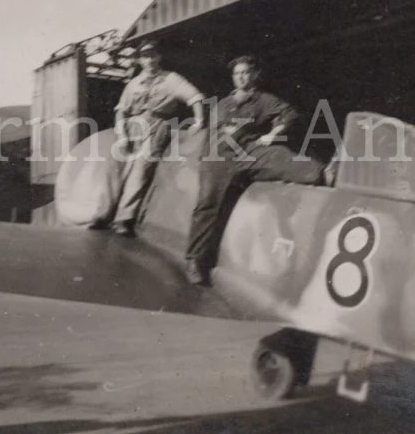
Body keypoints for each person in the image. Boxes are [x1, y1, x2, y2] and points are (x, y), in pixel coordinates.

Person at [185, 55, 333, 285]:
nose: (241, 77)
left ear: (254, 75)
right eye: (237, 74)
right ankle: (195, 260)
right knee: (207, 206)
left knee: (290, 162)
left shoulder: (263, 100)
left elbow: (289, 113)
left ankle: (324, 173)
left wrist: (273, 134)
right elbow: (211, 136)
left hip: (248, 152)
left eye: (246, 72)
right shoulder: (222, 103)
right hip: (218, 157)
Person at [89, 41, 204, 237]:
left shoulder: (171, 79)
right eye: (145, 56)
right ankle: (102, 213)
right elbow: (121, 110)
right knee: (114, 167)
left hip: (157, 125)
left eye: (153, 55)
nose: (149, 60)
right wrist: (122, 135)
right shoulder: (134, 83)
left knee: (141, 168)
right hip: (131, 126)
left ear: (159, 57)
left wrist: (199, 121)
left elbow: (194, 97)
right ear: (140, 60)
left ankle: (123, 218)